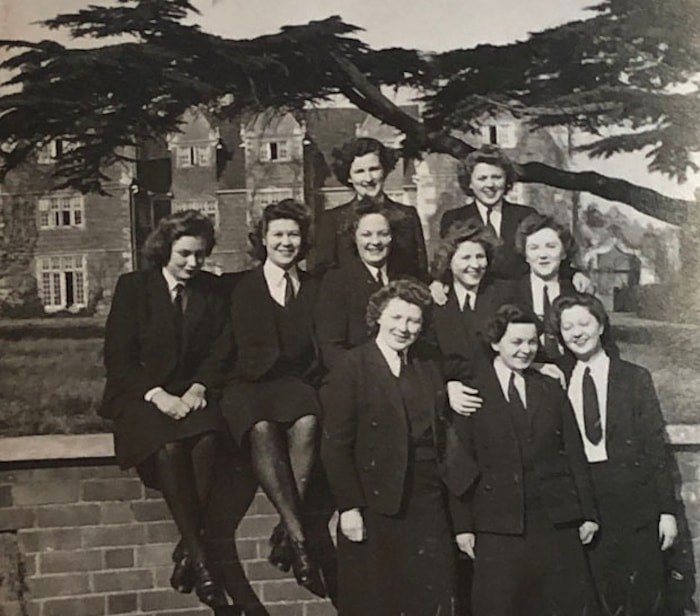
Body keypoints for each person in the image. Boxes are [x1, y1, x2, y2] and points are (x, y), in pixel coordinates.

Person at [100, 210, 230, 609]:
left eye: (201, 255)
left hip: (191, 395)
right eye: (185, 254)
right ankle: (204, 563)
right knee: (171, 448)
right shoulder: (134, 287)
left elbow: (221, 347)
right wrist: (158, 395)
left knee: (208, 438)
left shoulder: (212, 289)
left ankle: (189, 550)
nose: (194, 264)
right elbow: (118, 358)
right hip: (141, 396)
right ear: (165, 250)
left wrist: (198, 387)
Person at [449, 304, 600, 616]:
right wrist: (463, 526)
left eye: (532, 342)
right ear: (495, 343)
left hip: (554, 521)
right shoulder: (472, 393)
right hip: (497, 525)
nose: (526, 350)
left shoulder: (549, 387)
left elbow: (573, 453)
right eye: (516, 342)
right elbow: (458, 464)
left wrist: (587, 513)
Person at [321, 280, 457, 615]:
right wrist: (349, 507)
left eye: (413, 321)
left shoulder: (427, 366)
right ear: (378, 317)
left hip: (425, 500)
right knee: (374, 598)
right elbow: (335, 445)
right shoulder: (352, 367)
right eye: (396, 318)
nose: (404, 328)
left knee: (429, 595)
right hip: (374, 503)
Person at [550, 293, 678, 616]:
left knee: (642, 596)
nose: (577, 333)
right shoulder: (556, 380)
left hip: (634, 502)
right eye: (567, 327)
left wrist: (666, 511)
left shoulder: (634, 378)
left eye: (584, 323)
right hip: (586, 501)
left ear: (601, 325)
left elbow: (654, 447)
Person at [221, 199, 325, 598]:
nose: (286, 242)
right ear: (262, 240)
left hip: (292, 382)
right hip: (245, 383)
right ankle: (300, 540)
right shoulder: (239, 285)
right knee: (261, 427)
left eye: (293, 235)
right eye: (278, 234)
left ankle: (287, 532)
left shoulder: (314, 286)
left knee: (309, 419)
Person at [313, 137, 428, 280]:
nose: (368, 178)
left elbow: (420, 272)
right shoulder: (332, 220)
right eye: (359, 171)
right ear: (349, 177)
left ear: (384, 171)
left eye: (374, 169)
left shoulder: (407, 216)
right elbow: (322, 276)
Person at [315, 200, 395, 370]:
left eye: (383, 233)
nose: (375, 241)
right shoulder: (337, 282)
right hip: (358, 376)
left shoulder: (404, 279)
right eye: (366, 234)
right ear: (354, 237)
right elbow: (331, 348)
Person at [439, 144, 535, 280]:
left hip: (518, 297)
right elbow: (447, 264)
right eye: (482, 178)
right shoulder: (454, 219)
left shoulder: (526, 216)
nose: (490, 185)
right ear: (470, 183)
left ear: (507, 180)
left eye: (496, 177)